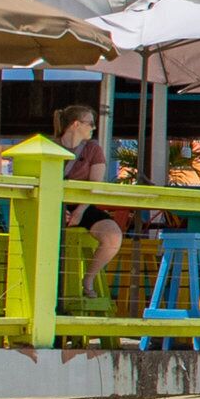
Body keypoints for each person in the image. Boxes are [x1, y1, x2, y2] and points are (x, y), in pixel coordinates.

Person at [50, 104, 129, 290]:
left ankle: (88, 279)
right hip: (52, 204)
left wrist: (79, 210)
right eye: (90, 123)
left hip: (82, 205)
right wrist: (59, 209)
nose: (93, 128)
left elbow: (95, 185)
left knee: (113, 235)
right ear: (76, 124)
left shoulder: (93, 149)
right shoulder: (51, 146)